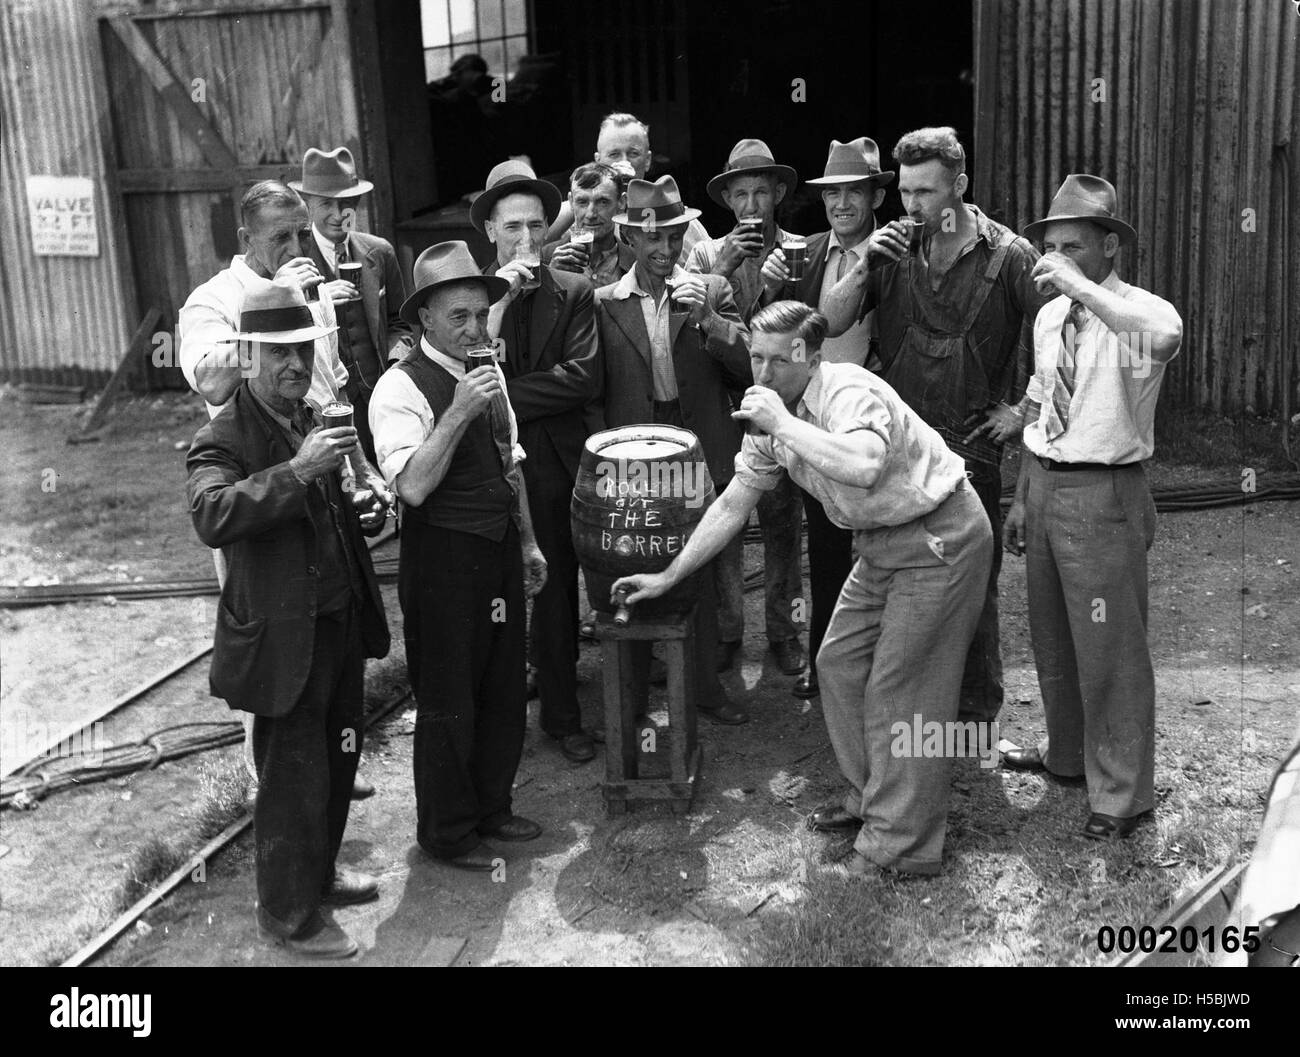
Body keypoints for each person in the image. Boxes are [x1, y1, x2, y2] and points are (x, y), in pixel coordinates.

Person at [613, 301, 991, 876]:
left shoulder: (846, 390)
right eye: (755, 359)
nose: (762, 374)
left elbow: (865, 465)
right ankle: (874, 800)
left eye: (777, 361)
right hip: (881, 542)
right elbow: (733, 505)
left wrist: (783, 424)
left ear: (812, 358)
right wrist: (669, 574)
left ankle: (902, 847)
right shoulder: (770, 422)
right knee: (839, 664)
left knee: (903, 689)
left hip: (938, 536)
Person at [186, 282, 391, 958]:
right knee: (292, 779)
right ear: (246, 356)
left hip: (336, 620)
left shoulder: (308, 417)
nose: (296, 364)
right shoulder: (222, 435)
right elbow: (212, 514)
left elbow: (327, 510)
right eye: (278, 352)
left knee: (337, 760)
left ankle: (320, 876)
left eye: (303, 349)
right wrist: (299, 473)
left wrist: (361, 508)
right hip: (282, 638)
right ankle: (287, 917)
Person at [819, 127, 1046, 726]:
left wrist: (1022, 411)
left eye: (926, 192)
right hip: (899, 449)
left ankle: (973, 716)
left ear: (960, 185)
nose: (913, 205)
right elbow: (829, 323)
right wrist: (864, 263)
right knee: (891, 573)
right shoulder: (892, 250)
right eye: (905, 192)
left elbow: (1060, 337)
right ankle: (905, 705)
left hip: (972, 450)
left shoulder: (1009, 255)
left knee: (972, 587)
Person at [178, 179, 389, 800]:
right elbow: (213, 383)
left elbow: (332, 390)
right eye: (281, 237)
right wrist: (272, 310)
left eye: (302, 233)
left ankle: (327, 767)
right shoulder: (213, 298)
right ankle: (269, 785)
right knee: (270, 643)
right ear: (246, 238)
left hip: (320, 469)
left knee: (329, 636)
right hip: (256, 480)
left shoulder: (313, 290)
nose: (298, 247)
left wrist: (362, 474)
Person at [1001, 174, 1182, 840]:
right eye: (1051, 247)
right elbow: (1041, 405)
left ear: (1110, 246)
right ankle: (1069, 757)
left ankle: (1122, 794)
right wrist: (1024, 496)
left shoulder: (1141, 310)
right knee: (1052, 636)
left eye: (1072, 246)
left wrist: (1080, 288)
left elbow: (1163, 340)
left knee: (1111, 647)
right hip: (1049, 484)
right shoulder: (1051, 317)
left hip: (1106, 493)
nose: (1056, 260)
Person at [369, 241, 549, 869]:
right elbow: (414, 487)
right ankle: (446, 834)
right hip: (443, 561)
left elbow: (509, 461)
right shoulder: (399, 387)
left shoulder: (487, 371)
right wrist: (458, 410)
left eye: (480, 314)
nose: (475, 329)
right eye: (458, 317)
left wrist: (527, 542)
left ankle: (492, 807)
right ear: (425, 319)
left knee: (502, 686)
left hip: (496, 549)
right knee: (450, 698)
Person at [591, 175, 752, 726]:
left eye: (675, 236)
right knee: (633, 565)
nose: (665, 249)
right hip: (634, 455)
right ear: (629, 238)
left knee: (698, 568)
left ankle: (705, 687)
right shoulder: (605, 303)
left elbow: (750, 369)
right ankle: (633, 703)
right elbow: (596, 390)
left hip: (696, 448)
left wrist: (709, 320)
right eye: (653, 238)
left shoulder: (711, 290)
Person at [476, 160, 602, 764]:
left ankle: (563, 716)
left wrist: (499, 393)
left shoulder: (572, 290)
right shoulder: (468, 296)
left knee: (552, 590)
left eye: (535, 226)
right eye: (512, 228)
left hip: (551, 463)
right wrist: (496, 306)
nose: (526, 239)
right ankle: (496, 719)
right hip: (482, 465)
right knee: (489, 593)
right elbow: (460, 371)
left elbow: (581, 379)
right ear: (490, 233)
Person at [760, 136, 893, 699]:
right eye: (832, 193)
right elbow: (771, 331)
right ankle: (825, 664)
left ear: (875, 197)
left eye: (853, 192)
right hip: (815, 418)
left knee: (886, 545)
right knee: (826, 546)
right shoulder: (805, 251)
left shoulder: (895, 250)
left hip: (876, 418)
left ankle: (884, 672)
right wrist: (769, 283)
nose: (841, 204)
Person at [688, 138, 806, 679]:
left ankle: (785, 632)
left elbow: (797, 336)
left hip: (781, 410)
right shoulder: (705, 254)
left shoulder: (801, 250)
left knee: (783, 527)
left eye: (761, 192)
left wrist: (773, 286)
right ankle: (728, 633)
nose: (752, 205)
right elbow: (697, 333)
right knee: (728, 528)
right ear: (728, 201)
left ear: (778, 193)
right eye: (741, 195)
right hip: (724, 408)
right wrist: (725, 267)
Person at [291, 146, 415, 465]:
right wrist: (318, 301)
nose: (338, 214)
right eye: (326, 204)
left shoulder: (380, 252)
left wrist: (395, 365)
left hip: (381, 393)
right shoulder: (294, 262)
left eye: (347, 203)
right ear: (307, 205)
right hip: (327, 402)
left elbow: (400, 323)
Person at [547, 112, 710, 258]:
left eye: (633, 154)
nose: (624, 162)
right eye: (614, 154)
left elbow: (707, 261)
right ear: (598, 161)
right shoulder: (584, 218)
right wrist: (584, 198)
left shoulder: (672, 213)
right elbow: (540, 238)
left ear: (647, 160)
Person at [543, 161, 636, 288]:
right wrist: (550, 280)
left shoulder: (638, 264)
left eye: (602, 202)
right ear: (571, 202)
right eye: (582, 202)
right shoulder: (545, 257)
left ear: (621, 202)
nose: (591, 214)